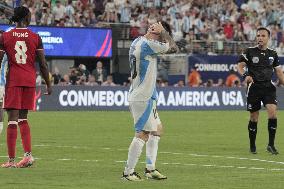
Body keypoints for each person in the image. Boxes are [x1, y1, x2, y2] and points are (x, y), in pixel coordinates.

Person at [122, 21, 178, 181]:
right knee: (142, 134)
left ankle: (150, 168)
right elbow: (174, 48)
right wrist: (164, 33)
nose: (154, 25)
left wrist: (161, 33)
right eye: (156, 25)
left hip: (145, 94)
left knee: (157, 129)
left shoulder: (138, 41)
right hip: (142, 96)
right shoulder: (148, 45)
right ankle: (128, 172)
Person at [0, 6, 52, 168]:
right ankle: (28, 156)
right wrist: (48, 83)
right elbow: (43, 64)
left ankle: (11, 160)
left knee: (12, 119)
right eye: (29, 16)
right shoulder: (35, 37)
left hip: (14, 80)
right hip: (29, 80)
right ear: (25, 18)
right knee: (23, 118)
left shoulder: (5, 36)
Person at [237, 27, 284, 155]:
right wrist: (245, 75)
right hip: (254, 87)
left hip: (268, 87)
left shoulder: (273, 54)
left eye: (263, 36)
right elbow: (240, 66)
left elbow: (279, 72)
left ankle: (271, 145)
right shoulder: (250, 51)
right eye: (258, 35)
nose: (260, 38)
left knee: (273, 113)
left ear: (268, 38)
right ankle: (252, 145)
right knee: (254, 117)